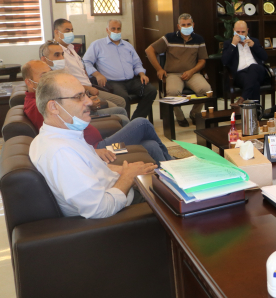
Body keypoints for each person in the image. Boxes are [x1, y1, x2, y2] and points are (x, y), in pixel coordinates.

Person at [29, 70, 157, 219]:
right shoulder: (62, 152)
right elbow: (100, 209)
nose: (89, 102)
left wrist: (125, 171)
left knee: (152, 152)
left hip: (118, 190)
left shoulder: (62, 136)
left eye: (85, 94)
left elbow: (93, 169)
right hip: (122, 211)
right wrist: (128, 177)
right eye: (78, 97)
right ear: (54, 107)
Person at [22, 60, 173, 163]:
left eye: (51, 74)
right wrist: (93, 152)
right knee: (142, 124)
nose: (50, 79)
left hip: (97, 145)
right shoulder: (39, 106)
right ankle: (171, 163)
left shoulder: (43, 100)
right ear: (29, 82)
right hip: (100, 148)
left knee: (151, 145)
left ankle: (171, 168)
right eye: (44, 76)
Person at [39, 40, 129, 126]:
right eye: (57, 55)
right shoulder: (49, 81)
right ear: (44, 59)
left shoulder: (62, 72)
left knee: (121, 110)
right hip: (79, 119)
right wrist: (88, 105)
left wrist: (88, 100)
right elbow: (67, 110)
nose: (62, 58)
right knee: (122, 116)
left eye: (62, 54)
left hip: (84, 105)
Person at [83, 19, 157, 120]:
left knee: (151, 90)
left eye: (118, 29)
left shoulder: (128, 46)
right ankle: (124, 123)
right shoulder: (97, 45)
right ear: (107, 30)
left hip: (131, 81)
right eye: (113, 29)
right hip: (112, 82)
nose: (116, 31)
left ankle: (136, 120)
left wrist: (141, 74)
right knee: (123, 98)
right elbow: (86, 62)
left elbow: (137, 63)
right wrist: (97, 74)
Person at [146, 13, 211, 127]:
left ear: (193, 25)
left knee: (206, 90)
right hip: (173, 74)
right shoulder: (169, 38)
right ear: (178, 26)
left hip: (192, 73)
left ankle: (194, 114)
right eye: (183, 25)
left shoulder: (199, 39)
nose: (186, 27)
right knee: (172, 93)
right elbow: (149, 50)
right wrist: (159, 69)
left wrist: (191, 71)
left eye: (188, 24)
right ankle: (180, 117)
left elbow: (202, 60)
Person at [51, 18, 127, 109]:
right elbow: (63, 81)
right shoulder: (56, 52)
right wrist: (88, 88)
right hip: (77, 92)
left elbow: (82, 68)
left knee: (121, 101)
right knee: (116, 108)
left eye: (72, 30)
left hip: (89, 88)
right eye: (67, 31)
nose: (70, 33)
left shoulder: (71, 48)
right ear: (56, 32)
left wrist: (89, 84)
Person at [221, 20, 270, 108]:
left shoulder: (254, 41)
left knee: (253, 67)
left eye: (243, 32)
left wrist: (254, 46)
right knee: (255, 84)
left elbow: (265, 57)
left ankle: (242, 99)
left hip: (258, 71)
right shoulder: (229, 43)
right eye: (238, 32)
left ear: (247, 30)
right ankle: (256, 113)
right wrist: (233, 45)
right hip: (241, 74)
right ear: (233, 31)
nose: (240, 34)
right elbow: (224, 61)